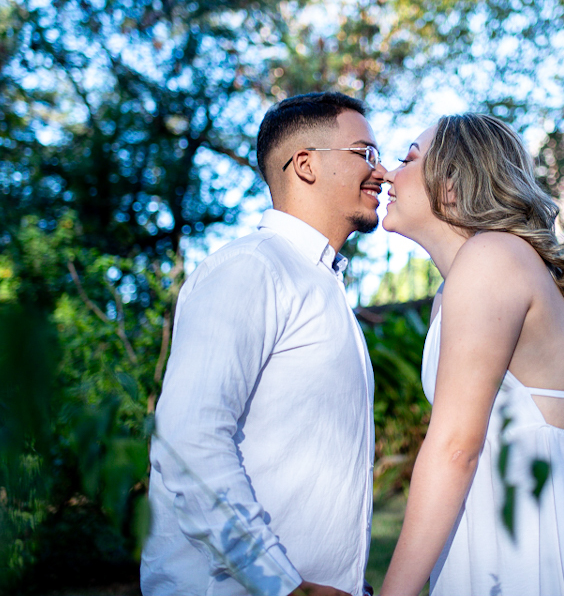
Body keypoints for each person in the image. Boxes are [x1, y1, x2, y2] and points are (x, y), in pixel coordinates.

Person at [378, 114, 564, 596]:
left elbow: (454, 447)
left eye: (408, 158)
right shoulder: (460, 285)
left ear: (451, 183)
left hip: (540, 536)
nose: (386, 173)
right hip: (507, 518)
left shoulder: (492, 258)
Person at [141, 92, 386, 596]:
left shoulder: (323, 285)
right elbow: (189, 438)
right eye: (365, 154)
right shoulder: (250, 268)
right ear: (305, 165)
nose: (381, 174)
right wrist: (282, 586)